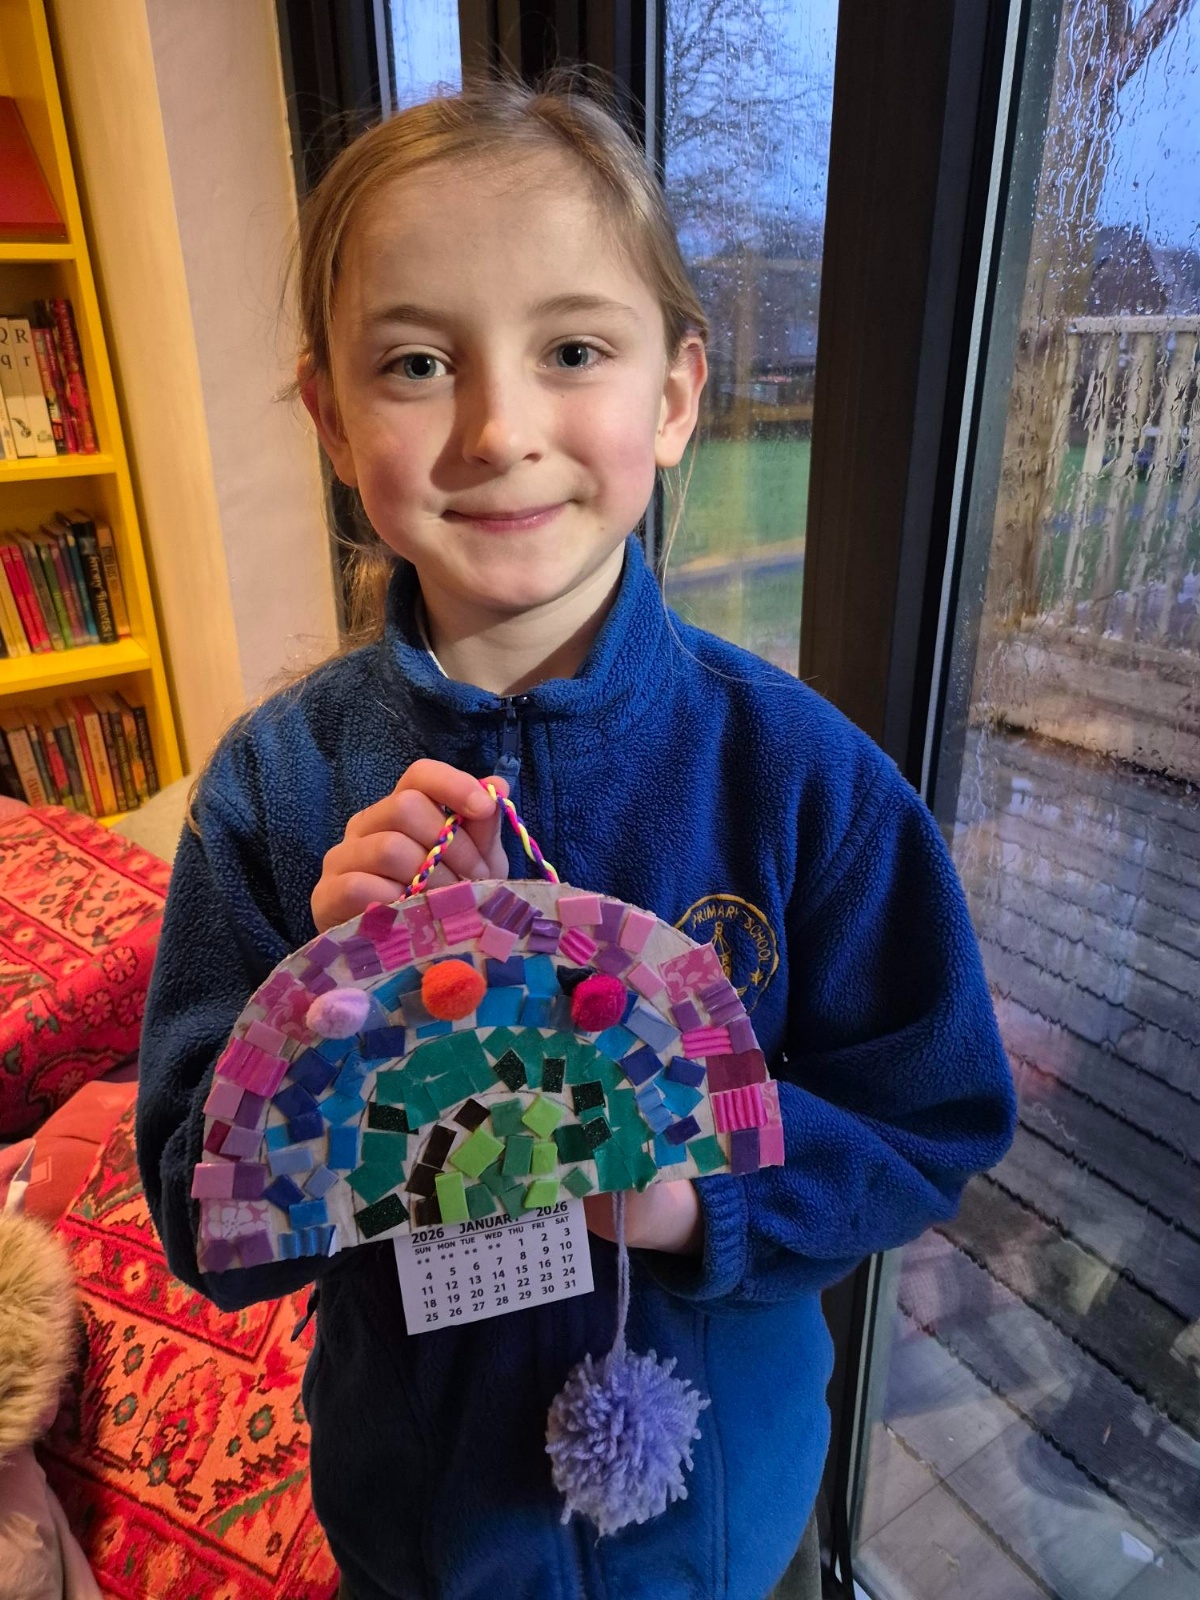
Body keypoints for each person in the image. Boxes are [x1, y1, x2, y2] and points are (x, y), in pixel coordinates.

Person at [136, 78, 1016, 1600]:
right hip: (422, 1534)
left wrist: (690, 1197)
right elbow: (200, 1213)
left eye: (572, 351)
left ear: (673, 397)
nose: (497, 430)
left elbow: (931, 1122)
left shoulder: (804, 778)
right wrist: (332, 1021)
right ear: (332, 418)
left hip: (720, 1518)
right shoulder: (272, 793)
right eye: (418, 363)